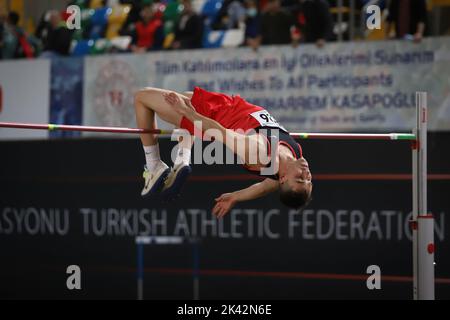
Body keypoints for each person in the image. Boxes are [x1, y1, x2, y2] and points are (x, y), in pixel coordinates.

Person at [134, 86, 313, 217]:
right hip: (229, 106)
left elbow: (217, 131)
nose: (306, 173)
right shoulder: (295, 155)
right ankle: (182, 161)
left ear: (284, 179)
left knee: (142, 98)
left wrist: (188, 114)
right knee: (184, 94)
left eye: (299, 178)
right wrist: (236, 197)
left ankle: (154, 165)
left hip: (210, 117)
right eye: (309, 180)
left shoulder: (259, 153)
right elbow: (265, 187)